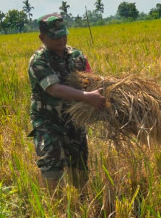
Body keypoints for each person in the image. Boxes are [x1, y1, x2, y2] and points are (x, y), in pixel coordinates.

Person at [28, 12, 105, 191]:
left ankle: (82, 205)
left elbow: (90, 79)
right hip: (48, 121)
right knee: (51, 165)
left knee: (79, 166)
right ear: (42, 37)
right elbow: (54, 89)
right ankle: (55, 211)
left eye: (63, 35)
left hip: (74, 120)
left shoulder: (77, 56)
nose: (61, 40)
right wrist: (88, 97)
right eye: (55, 37)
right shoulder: (39, 61)